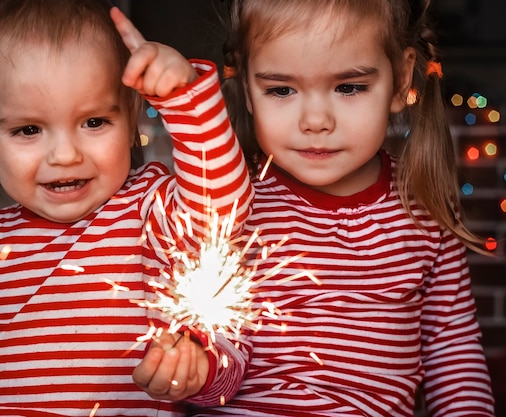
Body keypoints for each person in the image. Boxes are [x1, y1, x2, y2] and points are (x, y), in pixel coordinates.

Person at [0, 1, 252, 416]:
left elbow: (221, 206)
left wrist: (185, 99)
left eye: (94, 122)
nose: (65, 155)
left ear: (131, 118)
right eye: (28, 129)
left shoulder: (148, 208)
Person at [186, 0, 497, 416]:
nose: (315, 120)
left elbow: (451, 347)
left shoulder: (424, 207)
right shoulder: (231, 202)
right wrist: (194, 370)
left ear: (402, 77)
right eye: (281, 89)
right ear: (247, 87)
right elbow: (213, 378)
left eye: (348, 87)